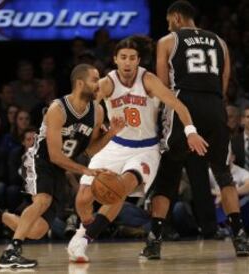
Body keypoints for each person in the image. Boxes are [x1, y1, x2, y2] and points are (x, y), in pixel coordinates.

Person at [0, 64, 125, 268]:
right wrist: (86, 170)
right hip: (40, 159)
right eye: (95, 79)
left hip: (61, 168)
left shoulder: (97, 112)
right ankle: (11, 252)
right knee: (42, 200)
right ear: (79, 83)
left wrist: (112, 132)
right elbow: (55, 155)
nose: (99, 84)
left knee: (38, 230)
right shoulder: (57, 109)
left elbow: (89, 150)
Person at [67, 38, 208, 263]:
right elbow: (86, 103)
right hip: (114, 144)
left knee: (119, 189)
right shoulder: (108, 82)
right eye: (123, 57)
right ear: (115, 60)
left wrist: (191, 131)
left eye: (132, 58)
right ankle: (83, 230)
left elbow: (178, 105)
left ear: (138, 61)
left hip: (145, 149)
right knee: (84, 197)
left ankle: (85, 239)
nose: (127, 62)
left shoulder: (148, 80)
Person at [140, 0, 249, 259]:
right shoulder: (220, 41)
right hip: (215, 106)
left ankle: (154, 241)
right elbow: (225, 81)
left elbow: (162, 86)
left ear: (176, 17)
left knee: (168, 176)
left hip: (183, 104)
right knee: (223, 174)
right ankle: (240, 238)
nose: (167, 23)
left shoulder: (167, 41)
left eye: (168, 19)